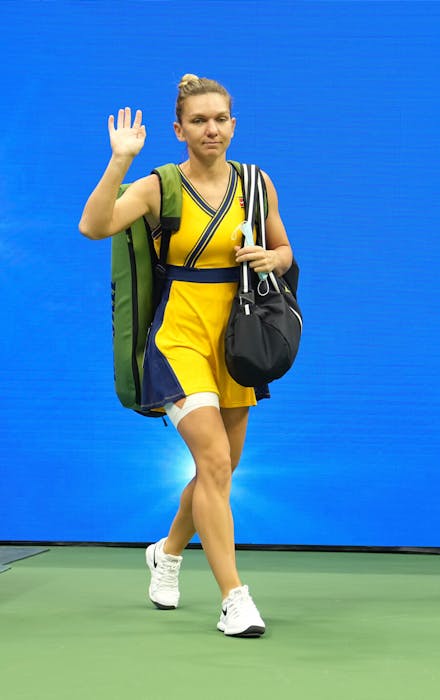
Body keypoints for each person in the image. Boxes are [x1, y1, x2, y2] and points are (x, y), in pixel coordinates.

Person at [79, 74, 293, 635]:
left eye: (220, 119)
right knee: (215, 464)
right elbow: (93, 226)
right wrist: (120, 162)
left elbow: (285, 247)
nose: (211, 129)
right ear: (179, 129)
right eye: (198, 121)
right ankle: (235, 599)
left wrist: (274, 258)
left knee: (218, 471)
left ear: (234, 124)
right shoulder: (159, 186)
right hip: (177, 339)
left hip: (236, 340)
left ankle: (167, 551)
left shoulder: (256, 181)